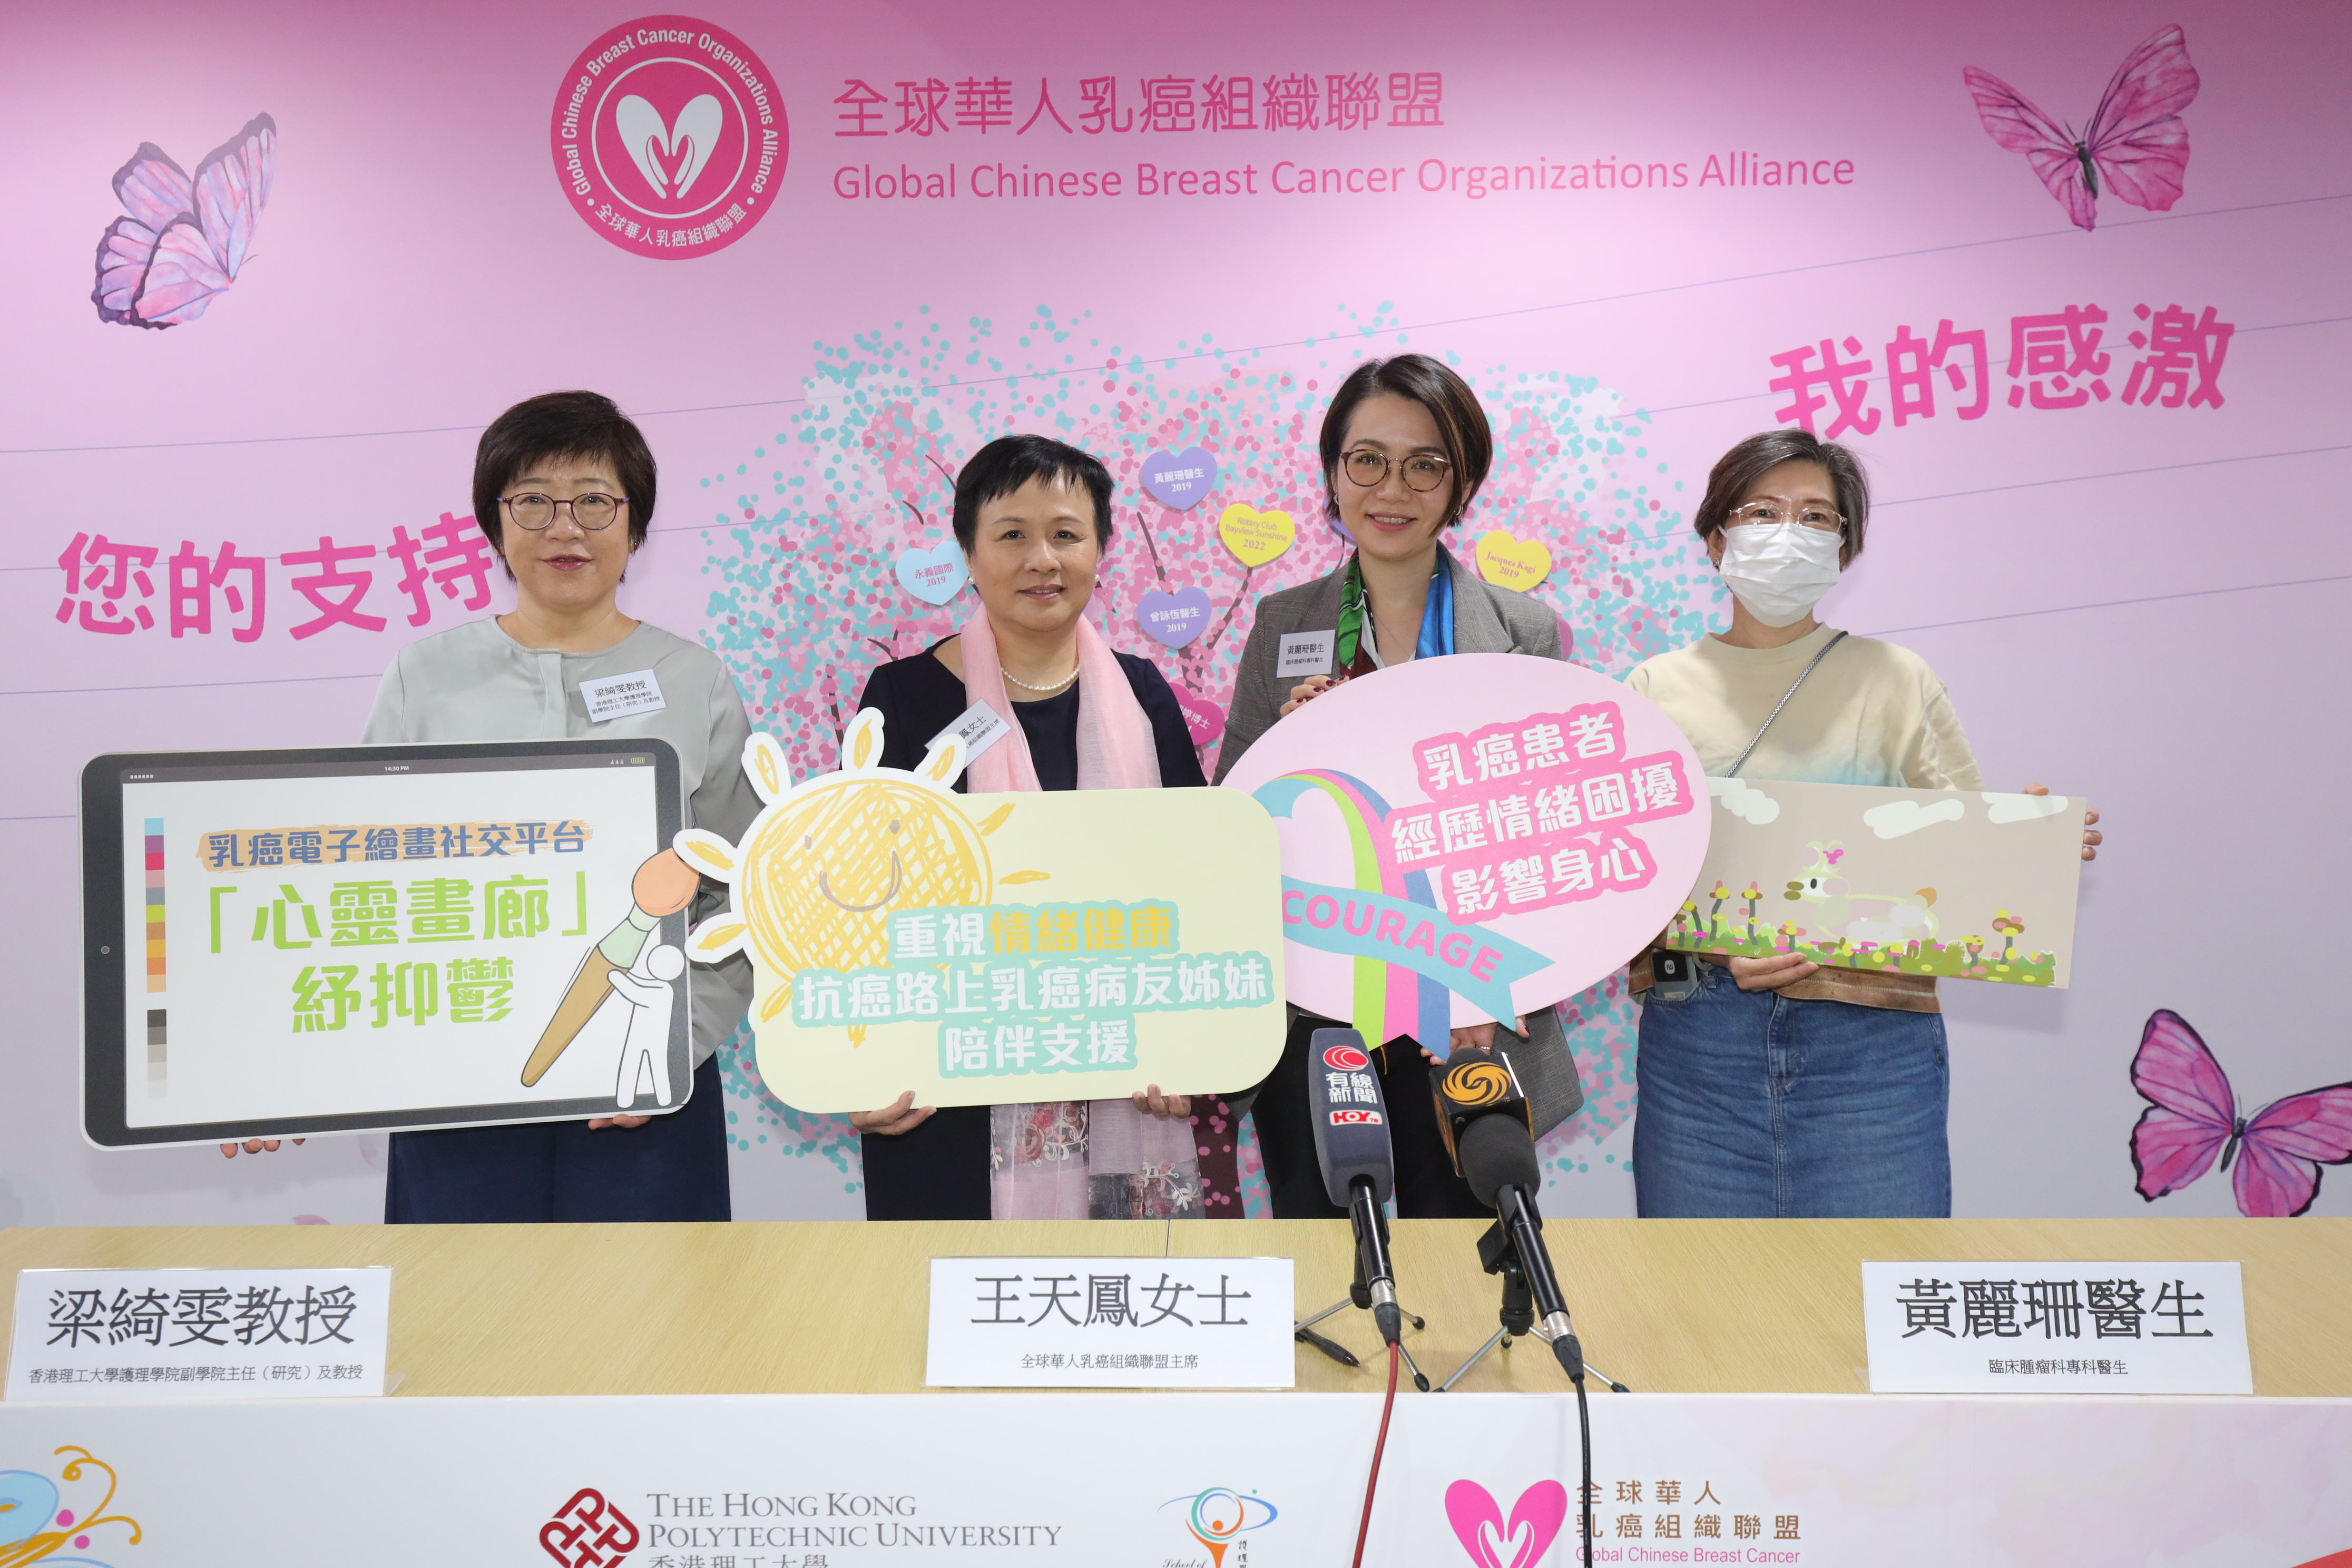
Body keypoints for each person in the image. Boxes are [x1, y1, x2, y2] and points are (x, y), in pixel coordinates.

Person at [219, 390, 760, 1223]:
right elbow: (345, 885)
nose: (564, 527)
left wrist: (670, 1049)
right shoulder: (425, 675)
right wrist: (283, 1068)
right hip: (452, 1079)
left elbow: (739, 894)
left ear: (637, 526)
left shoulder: (697, 680)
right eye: (533, 501)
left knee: (654, 1331)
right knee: (460, 1332)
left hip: (642, 1094)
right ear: (495, 524)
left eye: (594, 501)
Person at [1624, 428, 2102, 1218]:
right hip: (1700, 1049)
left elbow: (1962, 865)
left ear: (1844, 550)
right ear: (1716, 537)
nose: (1789, 533)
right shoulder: (1652, 688)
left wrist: (2028, 846)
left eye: (1818, 518)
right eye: (1764, 511)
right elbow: (1623, 879)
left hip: (1870, 1054)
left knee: (1875, 1303)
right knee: (1704, 1306)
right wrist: (1718, 942)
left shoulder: (1897, 680)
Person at [1216, 354, 1585, 1219]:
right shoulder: (1281, 626)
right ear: (1334, 474)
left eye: (1427, 464)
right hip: (1315, 1011)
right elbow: (1231, 819)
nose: (1393, 488)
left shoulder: (1525, 632)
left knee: (1464, 1263)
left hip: (1470, 1015)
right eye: (1368, 459)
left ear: (1462, 485)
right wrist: (1289, 746)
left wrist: (1490, 987)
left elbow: (1547, 836)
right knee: (1326, 1259)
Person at [850, 434, 1219, 1221]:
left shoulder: (1146, 695)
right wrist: (858, 1065)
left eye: (1066, 533)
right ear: (969, 554)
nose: (1040, 558)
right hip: (947, 1092)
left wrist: (1195, 1052)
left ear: (1100, 549)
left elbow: (1201, 893)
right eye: (1011, 534)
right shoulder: (904, 696)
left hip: (1128, 1082)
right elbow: (856, 901)